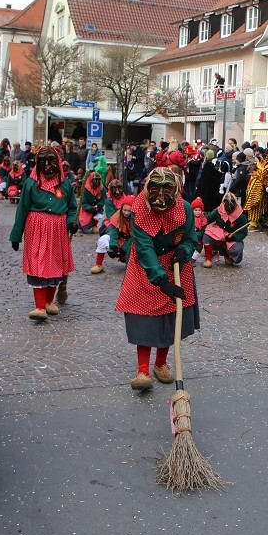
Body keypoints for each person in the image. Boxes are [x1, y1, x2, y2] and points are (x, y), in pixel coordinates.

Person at [115, 167, 200, 392]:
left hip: (175, 265)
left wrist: (185, 249)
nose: (160, 198)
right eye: (155, 191)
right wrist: (161, 281)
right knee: (143, 317)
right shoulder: (139, 210)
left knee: (171, 317)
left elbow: (192, 238)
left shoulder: (186, 210)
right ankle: (142, 369)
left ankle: (161, 363)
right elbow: (143, 247)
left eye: (167, 191)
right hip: (146, 267)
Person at [9, 145, 78, 320]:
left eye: (51, 161)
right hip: (37, 228)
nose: (47, 165)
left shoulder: (65, 183)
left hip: (58, 229)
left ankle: (49, 301)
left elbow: (71, 207)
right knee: (38, 262)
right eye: (43, 161)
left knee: (56, 262)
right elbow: (22, 209)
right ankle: (39, 306)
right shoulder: (32, 182)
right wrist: (16, 235)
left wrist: (71, 222)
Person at [202, 192, 248, 268]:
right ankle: (208, 259)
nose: (228, 212)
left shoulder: (241, 216)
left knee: (236, 249)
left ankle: (227, 254)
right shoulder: (218, 211)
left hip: (231, 237)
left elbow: (244, 232)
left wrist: (234, 237)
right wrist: (200, 223)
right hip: (218, 235)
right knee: (207, 236)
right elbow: (208, 219)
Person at [93, 194, 134, 274]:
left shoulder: (136, 219)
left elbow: (135, 238)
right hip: (119, 239)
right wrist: (113, 246)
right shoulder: (117, 217)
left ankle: (131, 264)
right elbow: (114, 234)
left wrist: (124, 249)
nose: (126, 213)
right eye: (124, 210)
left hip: (130, 243)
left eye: (129, 211)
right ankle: (98, 264)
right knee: (103, 239)